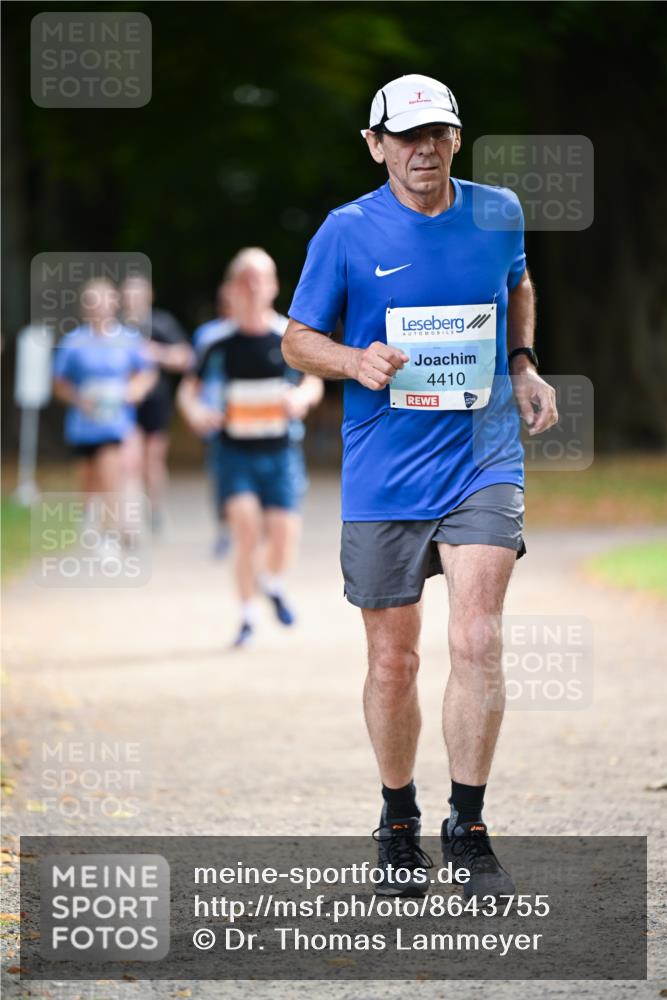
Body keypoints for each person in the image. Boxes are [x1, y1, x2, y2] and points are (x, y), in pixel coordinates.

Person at [282, 74, 558, 897]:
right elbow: (297, 339)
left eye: (436, 133)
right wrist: (352, 361)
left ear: (456, 138)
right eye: (404, 136)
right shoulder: (345, 230)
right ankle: (397, 817)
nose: (422, 149)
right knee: (393, 660)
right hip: (384, 467)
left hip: (481, 453)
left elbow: (517, 281)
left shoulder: (497, 211)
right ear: (376, 145)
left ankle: (467, 827)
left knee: (477, 639)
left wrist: (520, 361)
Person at [179, 248, 323, 648]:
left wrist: (302, 400)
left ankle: (272, 583)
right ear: (233, 288)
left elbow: (313, 381)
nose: (254, 285)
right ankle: (246, 616)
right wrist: (195, 413)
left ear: (275, 286)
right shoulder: (215, 339)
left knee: (282, 534)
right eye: (246, 278)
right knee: (246, 530)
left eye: (262, 277)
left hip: (280, 451)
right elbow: (187, 392)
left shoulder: (289, 336)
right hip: (233, 451)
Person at [52, 277, 156, 544]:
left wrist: (134, 390)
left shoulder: (128, 339)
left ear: (113, 304)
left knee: (112, 474)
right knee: (88, 480)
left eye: (104, 301)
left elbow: (146, 374)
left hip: (116, 422)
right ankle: (91, 518)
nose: (98, 308)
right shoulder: (73, 342)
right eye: (92, 302)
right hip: (83, 424)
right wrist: (77, 398)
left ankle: (112, 534)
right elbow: (59, 383)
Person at [119, 275, 193, 531]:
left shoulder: (161, 323)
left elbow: (185, 358)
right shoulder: (113, 327)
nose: (132, 299)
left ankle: (156, 510)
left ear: (149, 296)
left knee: (152, 462)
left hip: (156, 403)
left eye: (137, 293)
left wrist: (155, 353)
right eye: (128, 294)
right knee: (129, 462)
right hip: (124, 404)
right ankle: (129, 522)